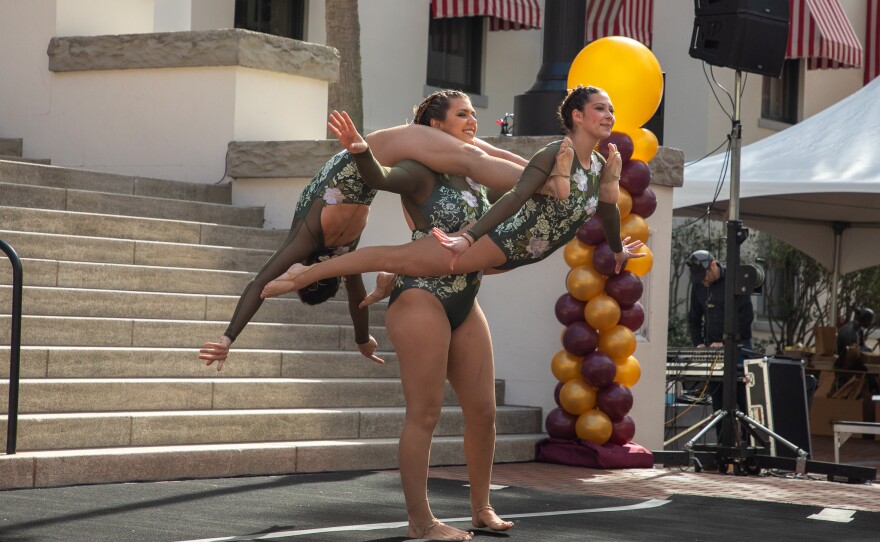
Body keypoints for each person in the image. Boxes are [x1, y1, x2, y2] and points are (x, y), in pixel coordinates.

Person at [198, 109, 548, 369]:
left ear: (305, 270)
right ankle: (547, 174)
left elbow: (261, 281)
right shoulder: (342, 255)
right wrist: (362, 340)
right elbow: (359, 302)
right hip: (384, 161)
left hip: (377, 147)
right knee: (472, 151)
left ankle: (548, 179)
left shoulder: (304, 239)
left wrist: (229, 337)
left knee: (471, 155)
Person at [329, 90, 527, 540]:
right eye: (463, 114)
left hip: (465, 298)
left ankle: (481, 508)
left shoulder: (475, 175)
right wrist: (361, 153)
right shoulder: (420, 170)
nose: (473, 121)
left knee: (484, 412)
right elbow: (381, 177)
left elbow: (526, 194)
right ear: (436, 126)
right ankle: (421, 521)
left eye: (475, 114)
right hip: (421, 298)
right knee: (425, 414)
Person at [258, 85, 643, 300]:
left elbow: (607, 208)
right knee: (397, 257)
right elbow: (511, 195)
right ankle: (304, 275)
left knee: (400, 262)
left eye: (612, 109)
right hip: (497, 243)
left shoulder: (599, 166)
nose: (609, 115)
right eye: (600, 108)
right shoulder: (553, 154)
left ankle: (387, 278)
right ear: (577, 116)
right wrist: (469, 237)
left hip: (513, 259)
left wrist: (616, 248)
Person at [686, 250, 754, 428]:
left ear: (714, 264)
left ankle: (748, 444)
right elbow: (694, 317)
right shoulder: (699, 285)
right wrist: (699, 343)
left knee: (743, 401)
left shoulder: (734, 281)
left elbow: (746, 317)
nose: (703, 280)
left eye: (705, 275)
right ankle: (721, 444)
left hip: (739, 348)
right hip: (713, 351)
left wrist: (727, 343)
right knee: (718, 402)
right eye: (699, 278)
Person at [836, 307, 878, 393]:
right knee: (872, 376)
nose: (871, 323)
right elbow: (852, 354)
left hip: (854, 362)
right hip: (846, 365)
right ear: (865, 319)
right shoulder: (850, 331)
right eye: (870, 320)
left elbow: (862, 346)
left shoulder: (859, 329)